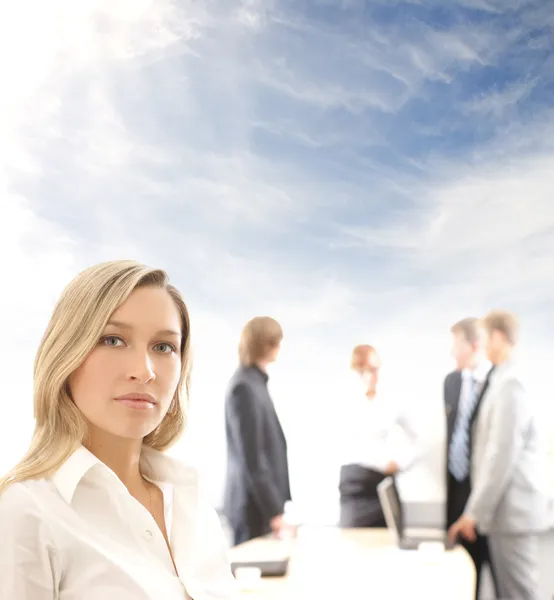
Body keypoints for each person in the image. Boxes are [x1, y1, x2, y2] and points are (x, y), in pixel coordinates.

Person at [0, 260, 236, 599]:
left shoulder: (191, 501)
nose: (144, 371)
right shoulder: (26, 512)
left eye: (164, 347)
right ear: (66, 354)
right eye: (112, 340)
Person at [448, 310, 548, 600]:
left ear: (498, 337)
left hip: (512, 513)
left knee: (519, 593)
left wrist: (473, 514)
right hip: (506, 514)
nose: (481, 344)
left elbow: (499, 457)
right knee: (509, 592)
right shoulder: (500, 382)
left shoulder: (511, 384)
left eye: (484, 337)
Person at [223, 316, 291, 546]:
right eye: (276, 342)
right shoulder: (244, 387)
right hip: (252, 508)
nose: (279, 347)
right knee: (251, 578)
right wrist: (274, 512)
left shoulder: (256, 383)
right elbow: (252, 458)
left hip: (259, 507)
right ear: (266, 344)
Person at [338, 344, 421, 528]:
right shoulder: (344, 400)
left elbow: (418, 440)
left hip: (382, 483)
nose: (371, 376)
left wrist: (400, 463)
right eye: (365, 370)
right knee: (353, 543)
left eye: (375, 369)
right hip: (354, 485)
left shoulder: (390, 401)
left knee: (389, 543)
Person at [444, 318, 497, 600]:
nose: (452, 352)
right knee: (457, 567)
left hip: (483, 489)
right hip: (456, 486)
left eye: (457, 345)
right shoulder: (451, 382)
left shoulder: (495, 383)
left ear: (474, 345)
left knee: (486, 568)